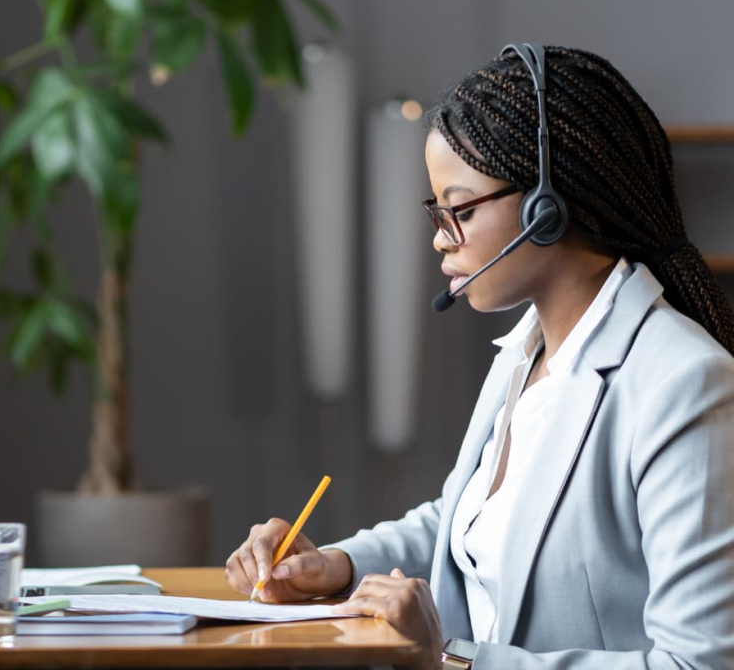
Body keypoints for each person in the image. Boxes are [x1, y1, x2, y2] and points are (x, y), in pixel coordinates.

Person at [225, 43, 734, 670]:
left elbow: (699, 665)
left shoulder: (685, 385)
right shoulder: (526, 353)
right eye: (436, 210)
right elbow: (472, 523)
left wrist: (451, 661)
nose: (440, 235)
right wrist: (335, 564)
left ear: (547, 209)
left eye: (458, 210)